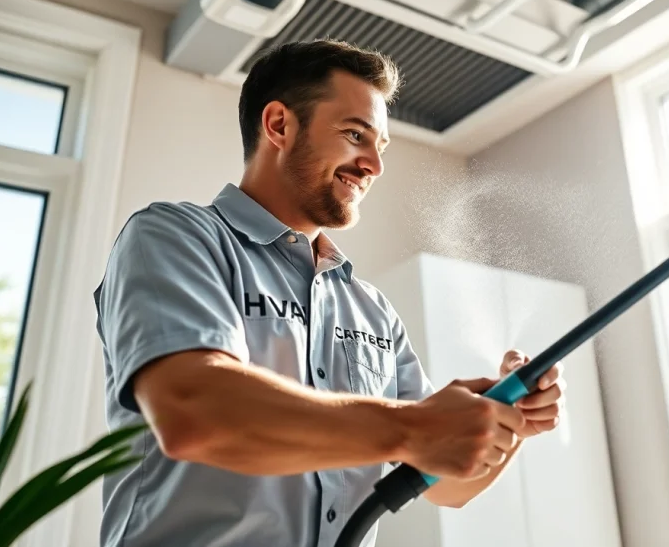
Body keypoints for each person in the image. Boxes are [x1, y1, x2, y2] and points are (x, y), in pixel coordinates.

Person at [93, 38, 566, 547]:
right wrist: (414, 427)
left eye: (379, 147)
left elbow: (447, 484)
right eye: (354, 135)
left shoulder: (371, 309)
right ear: (278, 125)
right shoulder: (176, 236)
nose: (374, 166)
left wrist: (503, 418)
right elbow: (194, 413)